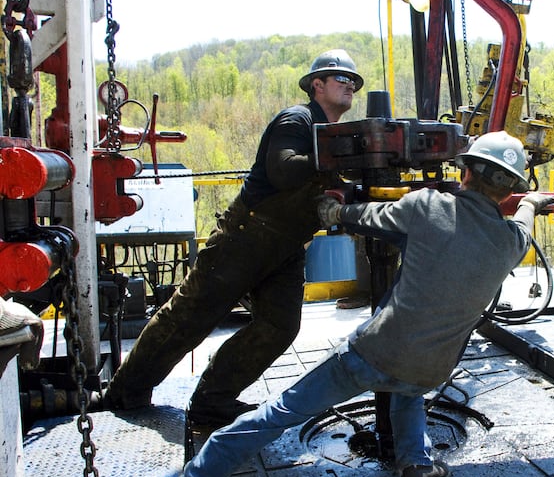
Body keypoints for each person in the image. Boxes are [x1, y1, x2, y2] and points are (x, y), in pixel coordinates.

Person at [181, 131, 554, 477]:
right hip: (432, 369)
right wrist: (531, 203)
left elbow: (367, 217)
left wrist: (333, 211)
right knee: (408, 387)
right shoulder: (512, 243)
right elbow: (523, 224)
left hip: (373, 354)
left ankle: (196, 476)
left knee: (283, 411)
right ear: (509, 189)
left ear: (466, 172)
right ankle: (416, 465)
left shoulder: (427, 205)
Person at [104, 49, 365, 426]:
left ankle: (213, 399)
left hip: (285, 247)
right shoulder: (298, 119)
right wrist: (340, 158)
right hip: (243, 238)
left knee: (279, 326)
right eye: (341, 79)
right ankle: (124, 395)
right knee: (189, 318)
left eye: (353, 82)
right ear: (316, 85)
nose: (350, 86)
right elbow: (283, 171)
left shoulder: (330, 135)